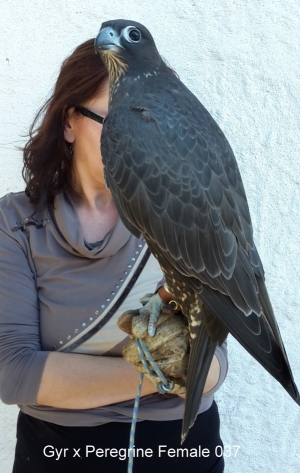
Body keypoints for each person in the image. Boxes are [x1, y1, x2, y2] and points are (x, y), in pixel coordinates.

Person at [0, 38, 228, 473]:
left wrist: (194, 371)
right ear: (69, 122)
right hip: (57, 452)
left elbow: (214, 364)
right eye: (119, 116)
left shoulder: (185, 213)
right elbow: (14, 374)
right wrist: (167, 376)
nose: (139, 136)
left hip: (180, 448)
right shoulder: (15, 223)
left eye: (154, 121)